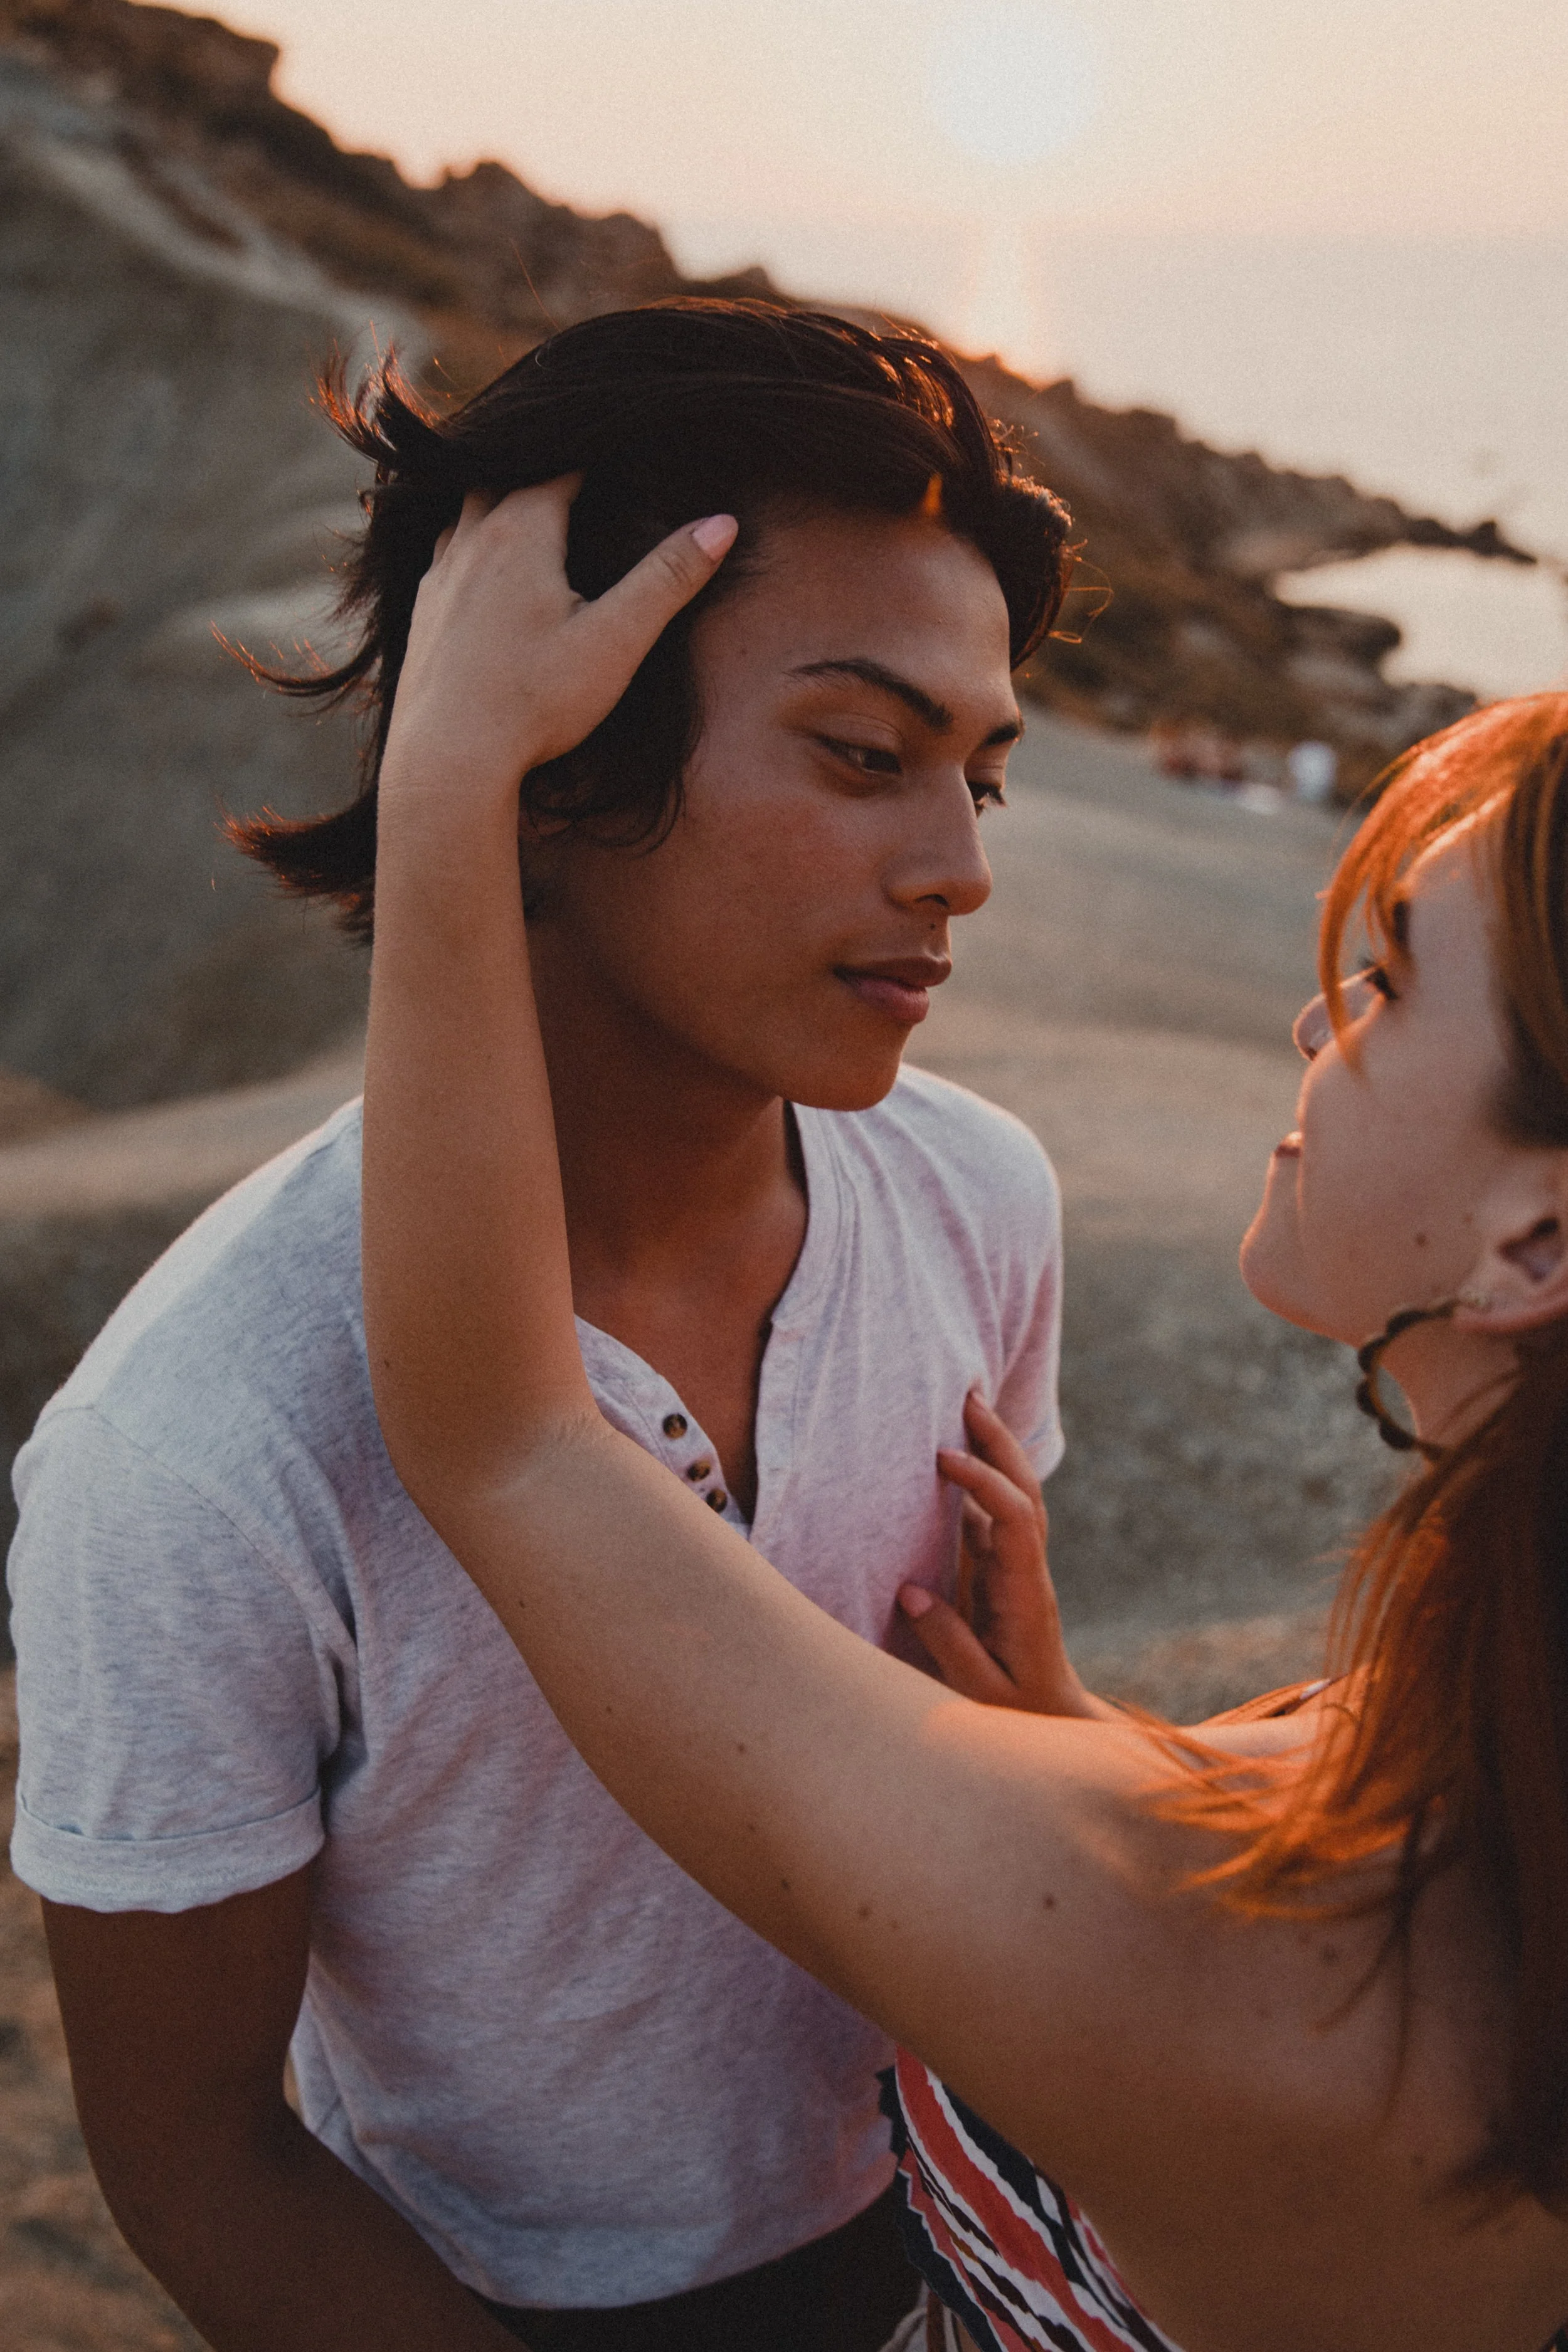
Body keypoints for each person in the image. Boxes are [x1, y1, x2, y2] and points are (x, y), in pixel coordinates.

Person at [354, 459, 1568, 2352]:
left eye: (1395, 982)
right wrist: (1101, 1749)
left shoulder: (1236, 1984)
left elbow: (503, 1440)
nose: (1316, 1024)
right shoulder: (1498, 1732)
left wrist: (445, 784)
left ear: (1536, 1241)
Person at [7, 304, 1076, 2351]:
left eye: (982, 777)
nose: (956, 872)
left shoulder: (976, 1201)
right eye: (864, 756)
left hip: (973, 2223)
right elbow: (198, 2165)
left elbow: (982, 1761)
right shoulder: (201, 1436)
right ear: (554, 763)